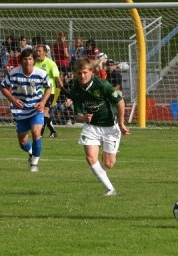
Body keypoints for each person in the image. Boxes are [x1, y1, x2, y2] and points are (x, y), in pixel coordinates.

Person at [70, 58, 130, 196]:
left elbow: (120, 102)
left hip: (110, 126)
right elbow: (77, 115)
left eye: (85, 72)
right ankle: (110, 189)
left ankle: (105, 152)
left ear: (91, 71)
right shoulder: (75, 89)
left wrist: (121, 123)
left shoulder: (103, 85)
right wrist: (84, 118)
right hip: (91, 127)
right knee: (90, 158)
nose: (82, 76)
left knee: (109, 164)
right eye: (79, 73)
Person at [0, 48, 51, 172]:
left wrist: (42, 102)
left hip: (35, 109)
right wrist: (12, 100)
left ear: (33, 60)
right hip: (20, 110)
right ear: (21, 61)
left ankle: (34, 164)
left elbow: (48, 88)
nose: (27, 61)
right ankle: (31, 152)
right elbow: (2, 86)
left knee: (36, 132)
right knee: (23, 142)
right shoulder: (14, 73)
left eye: (30, 59)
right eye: (25, 59)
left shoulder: (41, 74)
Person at [35, 44, 64, 138]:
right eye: (37, 51)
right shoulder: (34, 63)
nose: (38, 53)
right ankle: (53, 131)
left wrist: (62, 90)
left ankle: (40, 134)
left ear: (45, 52)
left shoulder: (51, 63)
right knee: (41, 112)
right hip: (37, 92)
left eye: (40, 51)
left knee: (44, 112)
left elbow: (58, 79)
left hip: (49, 92)